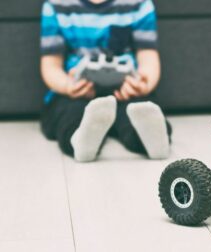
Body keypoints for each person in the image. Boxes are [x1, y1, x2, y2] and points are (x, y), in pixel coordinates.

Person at [40, 0, 171, 162]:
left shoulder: (139, 4)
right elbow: (51, 65)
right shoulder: (57, 5)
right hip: (77, 91)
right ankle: (79, 140)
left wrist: (143, 84)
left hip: (125, 89)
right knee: (68, 113)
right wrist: (67, 86)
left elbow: (148, 57)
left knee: (141, 109)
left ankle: (150, 139)